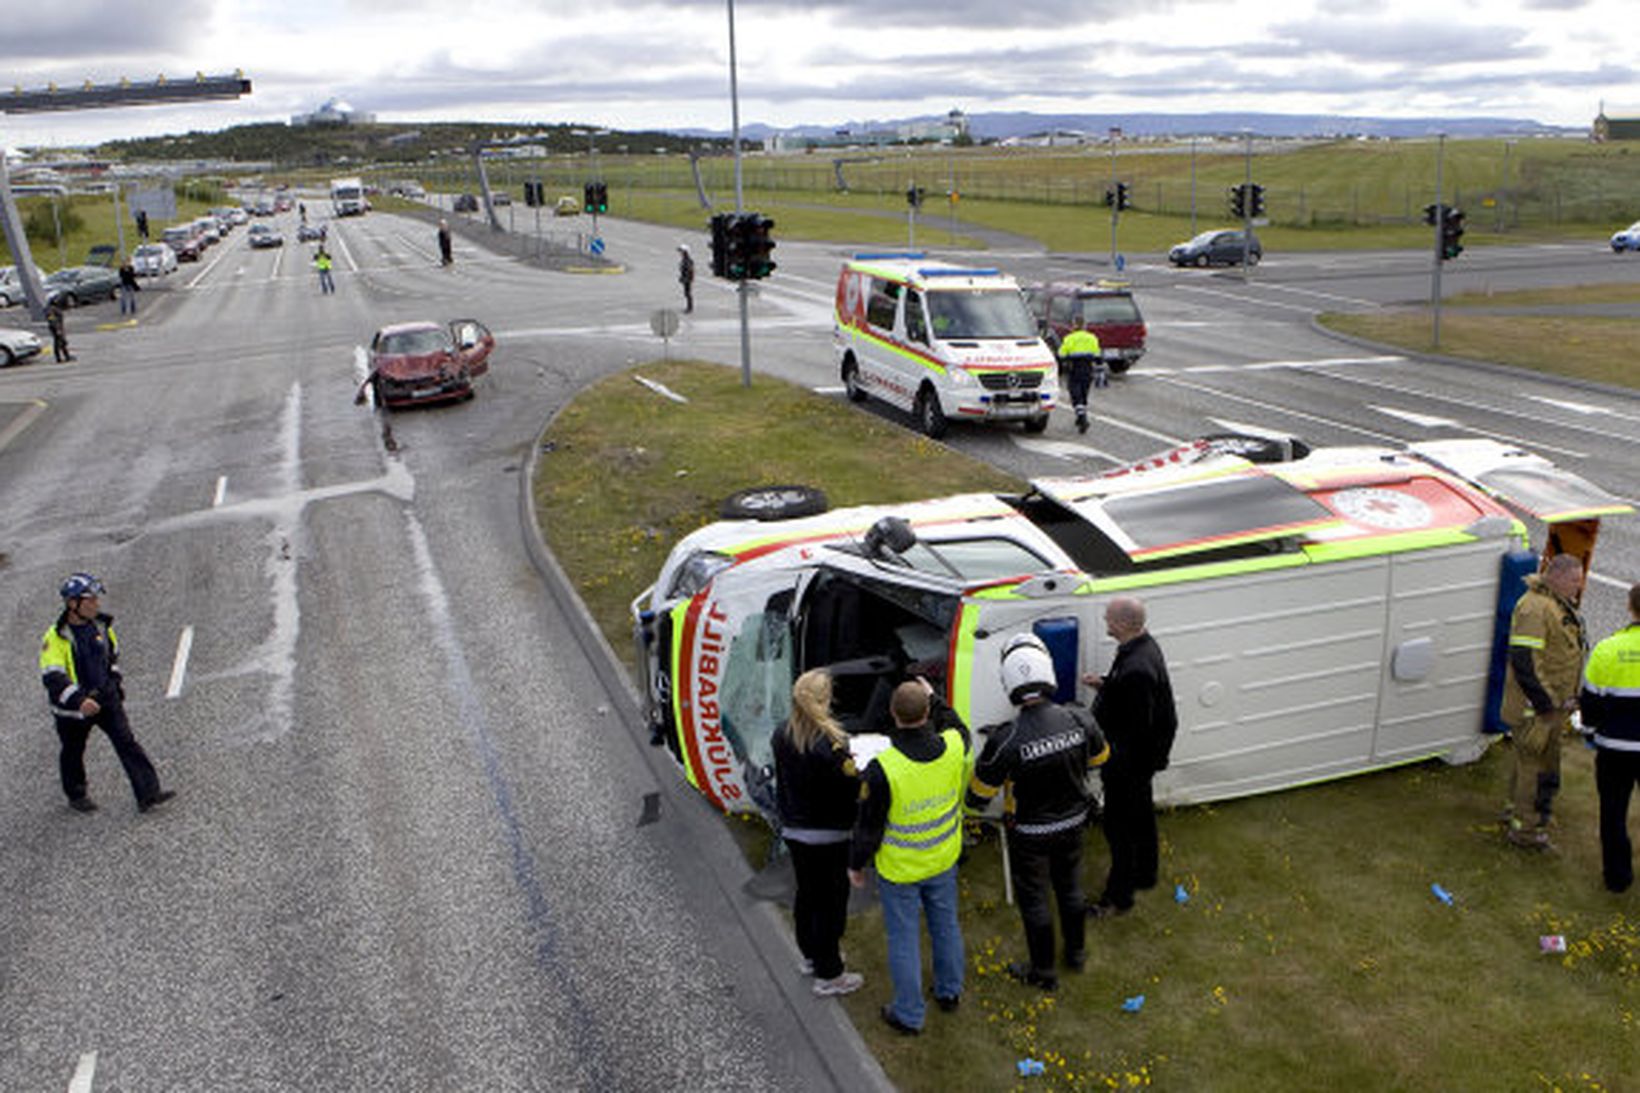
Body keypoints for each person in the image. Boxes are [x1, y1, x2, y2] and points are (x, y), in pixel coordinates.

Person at [968, 634, 1109, 990]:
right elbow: (1100, 758)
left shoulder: (1006, 738)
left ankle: (1043, 973)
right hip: (1075, 822)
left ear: (1009, 683)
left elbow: (977, 797)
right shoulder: (1079, 717)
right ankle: (1076, 955)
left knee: (1034, 900)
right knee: (1071, 889)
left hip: (1029, 832)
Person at [849, 679, 969, 1035]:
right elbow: (958, 724)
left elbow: (867, 827)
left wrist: (856, 864)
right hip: (943, 858)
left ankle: (909, 1013)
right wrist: (936, 697)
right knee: (945, 926)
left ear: (891, 714)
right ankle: (949, 992)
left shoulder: (883, 768)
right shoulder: (953, 745)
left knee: (903, 938)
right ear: (929, 712)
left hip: (900, 870)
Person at [39, 573, 175, 814]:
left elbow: (111, 658)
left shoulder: (102, 626)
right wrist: (80, 701)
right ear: (73, 604)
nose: (96, 604)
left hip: (106, 699)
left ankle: (148, 793)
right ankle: (76, 793)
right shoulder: (56, 637)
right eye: (90, 600)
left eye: (95, 599)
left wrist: (114, 685)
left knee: (127, 743)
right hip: (74, 709)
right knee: (73, 750)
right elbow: (53, 677)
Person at [773, 669, 864, 997]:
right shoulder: (831, 744)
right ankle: (830, 974)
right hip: (829, 833)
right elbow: (851, 787)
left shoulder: (781, 734)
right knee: (830, 902)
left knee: (808, 895)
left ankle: (811, 955)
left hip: (795, 830)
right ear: (824, 701)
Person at [1085, 596, 1177, 918]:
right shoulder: (1141, 647)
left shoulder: (1137, 666)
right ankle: (1146, 874)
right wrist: (1106, 685)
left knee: (1118, 828)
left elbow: (1138, 726)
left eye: (1109, 618)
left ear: (1123, 624)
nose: (1105, 622)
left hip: (1130, 762)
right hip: (1142, 760)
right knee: (1141, 815)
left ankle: (1117, 898)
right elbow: (1134, 699)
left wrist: (1109, 759)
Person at [1501, 553, 1587, 849]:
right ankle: (1526, 831)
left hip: (1549, 706)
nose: (1579, 586)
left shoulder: (1554, 604)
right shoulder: (1536, 609)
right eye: (1575, 580)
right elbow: (1524, 662)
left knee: (1529, 764)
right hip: (1536, 708)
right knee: (1534, 769)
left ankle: (1517, 813)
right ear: (1557, 577)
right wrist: (1546, 706)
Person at [1578, 582, 1640, 890]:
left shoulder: (1608, 649)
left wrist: (1590, 733)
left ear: (1630, 607)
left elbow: (1590, 702)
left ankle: (1617, 878)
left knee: (1613, 812)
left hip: (1615, 748)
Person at [1057, 326, 1104, 434]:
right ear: (1084, 326)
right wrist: (1100, 370)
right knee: (1083, 394)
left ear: (1073, 326)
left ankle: (1082, 418)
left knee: (1075, 395)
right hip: (1088, 371)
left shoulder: (1069, 338)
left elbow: (1061, 354)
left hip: (1075, 369)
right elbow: (1097, 355)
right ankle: (1080, 417)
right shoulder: (1092, 338)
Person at [677, 244, 695, 313]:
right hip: (685, 278)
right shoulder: (684, 259)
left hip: (687, 279)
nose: (680, 253)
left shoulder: (688, 260)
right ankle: (689, 306)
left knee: (688, 293)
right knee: (686, 293)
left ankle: (689, 307)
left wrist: (686, 278)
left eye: (681, 251)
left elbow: (689, 270)